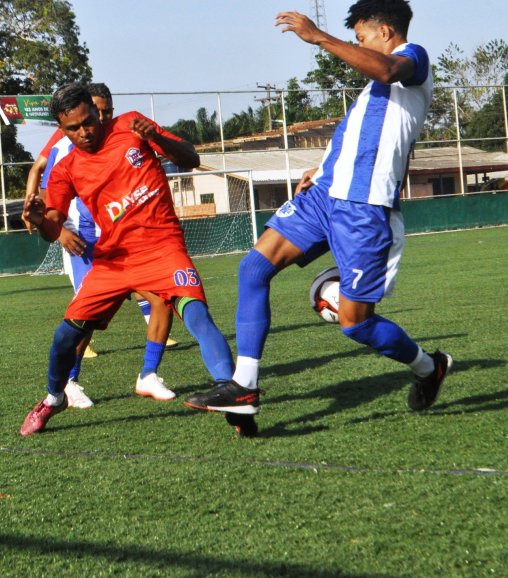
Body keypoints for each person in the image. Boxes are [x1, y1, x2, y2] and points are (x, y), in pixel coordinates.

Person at [184, 0, 453, 434]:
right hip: (325, 195)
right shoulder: (373, 88)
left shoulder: (413, 58)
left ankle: (428, 366)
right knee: (253, 267)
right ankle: (244, 387)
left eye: (361, 35)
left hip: (364, 209)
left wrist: (320, 38)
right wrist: (323, 165)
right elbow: (361, 132)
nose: (357, 43)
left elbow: (385, 70)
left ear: (384, 31)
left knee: (354, 324)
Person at [19, 83, 234, 436]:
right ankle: (54, 397)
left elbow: (191, 159)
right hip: (113, 261)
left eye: (88, 121)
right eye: (73, 128)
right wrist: (42, 219)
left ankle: (229, 388)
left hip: (162, 248)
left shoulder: (131, 126)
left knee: (195, 311)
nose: (84, 132)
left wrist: (160, 141)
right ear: (61, 128)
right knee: (64, 337)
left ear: (96, 110)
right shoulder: (66, 168)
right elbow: (53, 224)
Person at [25, 83, 178, 409]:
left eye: (106, 112)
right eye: (99, 111)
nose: (103, 119)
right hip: (84, 240)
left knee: (163, 297)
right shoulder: (63, 146)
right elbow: (49, 190)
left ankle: (149, 374)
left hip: (124, 241)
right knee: (85, 319)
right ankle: (69, 383)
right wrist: (58, 229)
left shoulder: (120, 133)